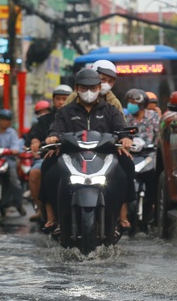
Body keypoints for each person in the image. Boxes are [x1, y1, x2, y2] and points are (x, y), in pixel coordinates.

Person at [43, 69, 134, 234]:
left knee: (127, 165)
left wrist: (125, 139)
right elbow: (56, 129)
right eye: (84, 88)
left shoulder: (110, 110)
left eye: (93, 88)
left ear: (99, 88)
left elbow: (122, 129)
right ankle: (54, 216)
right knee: (48, 167)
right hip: (72, 156)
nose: (89, 92)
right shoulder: (65, 111)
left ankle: (121, 214)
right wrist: (53, 137)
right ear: (77, 88)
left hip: (104, 155)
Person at [27, 85, 72, 221]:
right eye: (57, 99)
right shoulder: (45, 119)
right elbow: (35, 135)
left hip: (74, 158)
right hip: (48, 156)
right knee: (35, 173)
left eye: (64, 99)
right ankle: (41, 209)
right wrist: (35, 142)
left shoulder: (78, 117)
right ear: (53, 100)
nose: (60, 102)